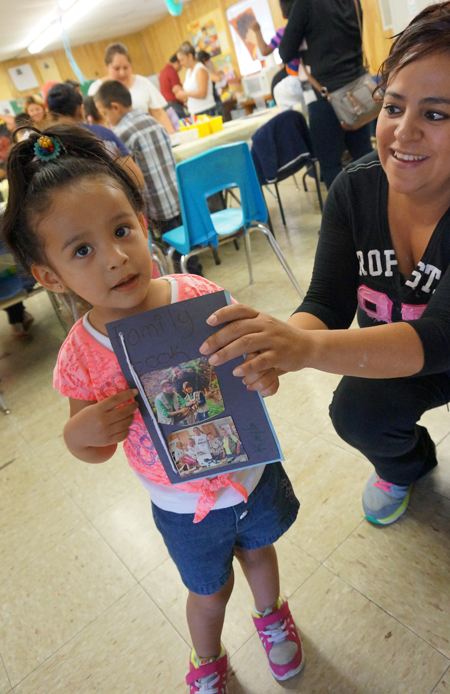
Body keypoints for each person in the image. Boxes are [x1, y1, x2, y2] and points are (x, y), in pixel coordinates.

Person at [1, 120, 302, 691]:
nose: (114, 258)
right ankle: (207, 656)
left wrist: (264, 375)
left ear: (143, 223)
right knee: (207, 591)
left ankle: (272, 616)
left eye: (121, 230)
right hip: (180, 505)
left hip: (251, 474)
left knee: (261, 557)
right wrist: (85, 430)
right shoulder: (82, 356)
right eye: (83, 250)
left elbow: (254, 371)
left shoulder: (197, 296)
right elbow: (85, 448)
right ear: (49, 274)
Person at [198, 2, 450, 528]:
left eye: (435, 114)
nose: (403, 132)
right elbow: (326, 301)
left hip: (436, 344)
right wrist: (279, 344)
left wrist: (309, 348)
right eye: (393, 106)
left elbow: (440, 337)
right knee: (356, 411)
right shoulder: (354, 189)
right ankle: (407, 464)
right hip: (392, 356)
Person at [278, 0, 373, 188]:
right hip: (358, 89)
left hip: (326, 96)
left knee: (331, 165)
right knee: (366, 156)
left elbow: (285, 52)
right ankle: (376, 211)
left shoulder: (305, 5)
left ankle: (342, 217)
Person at [94, 79, 181, 237]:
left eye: (105, 113)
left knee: (168, 246)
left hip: (155, 210)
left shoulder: (121, 134)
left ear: (115, 107)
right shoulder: (154, 121)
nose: (106, 119)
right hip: (178, 199)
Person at [46, 82, 145, 190]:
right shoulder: (103, 134)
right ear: (81, 110)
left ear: (50, 115)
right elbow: (137, 180)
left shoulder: (44, 147)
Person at [88, 42, 174, 134]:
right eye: (116, 68)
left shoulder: (143, 83)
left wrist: (172, 136)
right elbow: (95, 121)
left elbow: (159, 114)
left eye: (126, 67)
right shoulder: (96, 89)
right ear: (106, 66)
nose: (122, 73)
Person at [173, 42, 217, 117]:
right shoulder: (188, 71)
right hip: (194, 111)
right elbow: (191, 91)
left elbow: (202, 94)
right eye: (179, 61)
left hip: (206, 110)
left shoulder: (200, 69)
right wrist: (180, 90)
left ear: (190, 56)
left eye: (182, 60)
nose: (181, 63)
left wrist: (184, 94)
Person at [196, 50, 226, 116]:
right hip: (213, 103)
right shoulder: (203, 71)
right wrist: (220, 73)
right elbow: (218, 78)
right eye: (208, 61)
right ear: (204, 60)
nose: (209, 64)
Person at [159, 54, 186, 120]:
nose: (181, 68)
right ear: (177, 62)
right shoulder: (172, 72)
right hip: (174, 105)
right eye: (181, 65)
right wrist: (185, 102)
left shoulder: (163, 71)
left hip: (165, 106)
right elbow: (176, 90)